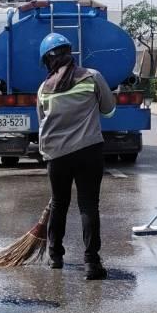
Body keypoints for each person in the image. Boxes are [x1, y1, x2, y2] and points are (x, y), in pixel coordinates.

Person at [34, 33, 115, 279]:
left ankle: (55, 256)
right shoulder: (92, 77)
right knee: (88, 205)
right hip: (89, 150)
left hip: (56, 155)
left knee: (59, 203)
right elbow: (109, 110)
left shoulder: (43, 89)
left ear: (47, 61)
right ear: (70, 53)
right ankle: (92, 263)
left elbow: (41, 122)